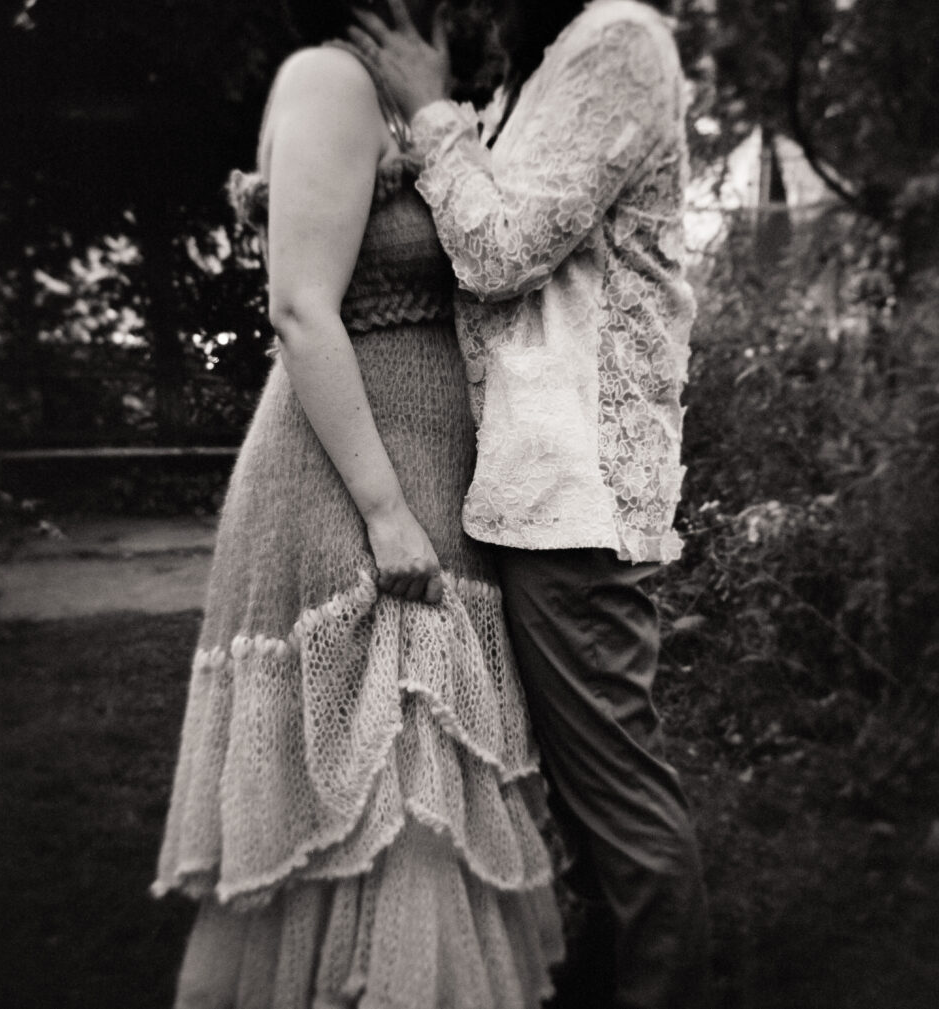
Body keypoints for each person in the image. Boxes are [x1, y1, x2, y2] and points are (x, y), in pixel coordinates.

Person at [151, 2, 564, 1006]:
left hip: (429, 488)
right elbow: (300, 307)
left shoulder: (423, 101)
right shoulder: (331, 82)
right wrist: (384, 512)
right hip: (350, 489)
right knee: (386, 791)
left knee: (420, 794)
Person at [348, 1, 710, 1007]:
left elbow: (500, 251)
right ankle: (607, 981)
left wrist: (431, 112)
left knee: (617, 797)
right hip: (534, 490)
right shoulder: (542, 67)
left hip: (575, 491)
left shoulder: (616, 41)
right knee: (585, 798)